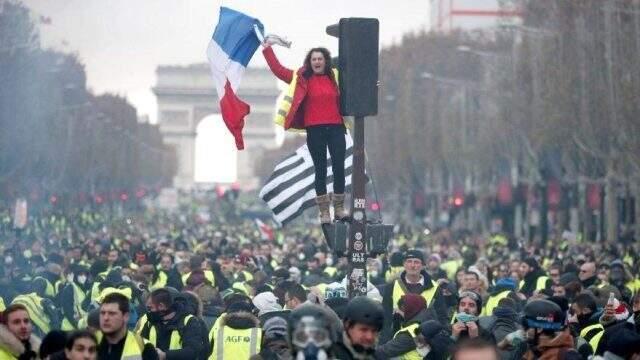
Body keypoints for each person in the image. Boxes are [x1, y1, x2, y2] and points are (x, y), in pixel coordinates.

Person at [263, 40, 349, 224]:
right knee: (320, 170)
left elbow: (356, 79)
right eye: (313, 59)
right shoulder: (300, 77)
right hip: (315, 129)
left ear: (326, 61)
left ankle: (340, 208)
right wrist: (267, 49)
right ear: (309, 62)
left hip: (335, 127)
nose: (317, 62)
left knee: (339, 167)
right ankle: (324, 211)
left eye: (320, 58)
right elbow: (278, 70)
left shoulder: (335, 76)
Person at [382, 249, 448, 342]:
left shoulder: (435, 288)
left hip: (425, 339)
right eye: (409, 262)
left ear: (423, 265)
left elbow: (442, 317)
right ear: (404, 264)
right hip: (397, 339)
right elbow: (386, 316)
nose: (412, 265)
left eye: (416, 262)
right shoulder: (392, 286)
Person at [138, 288, 208, 360]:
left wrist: (165, 355)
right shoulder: (150, 322)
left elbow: (193, 351)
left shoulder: (189, 321)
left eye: (150, 308)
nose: (148, 312)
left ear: (161, 306)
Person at [97, 293, 157, 360]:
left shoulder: (144, 347)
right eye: (102, 313)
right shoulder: (90, 344)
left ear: (126, 316)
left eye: (112, 313)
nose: (105, 318)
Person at [375, 293, 437, 359]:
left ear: (411, 310)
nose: (397, 311)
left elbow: (386, 351)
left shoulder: (413, 332)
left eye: (402, 309)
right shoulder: (429, 323)